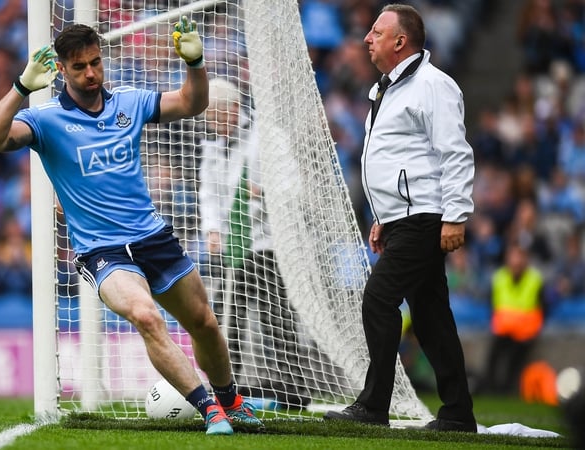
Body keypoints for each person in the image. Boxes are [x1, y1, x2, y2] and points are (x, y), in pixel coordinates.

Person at [0, 20, 263, 435]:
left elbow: (191, 103)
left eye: (95, 63)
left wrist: (195, 63)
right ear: (61, 69)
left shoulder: (130, 101)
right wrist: (21, 88)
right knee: (147, 317)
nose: (90, 73)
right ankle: (209, 410)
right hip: (102, 251)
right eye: (79, 67)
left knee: (204, 322)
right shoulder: (46, 119)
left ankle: (231, 400)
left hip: (152, 237)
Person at [323, 4, 477, 432]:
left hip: (426, 217)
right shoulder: (384, 89)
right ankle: (458, 413)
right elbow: (398, 159)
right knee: (430, 315)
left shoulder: (433, 86)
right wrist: (383, 217)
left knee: (378, 299)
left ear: (399, 41)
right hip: (405, 217)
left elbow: (455, 153)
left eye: (376, 31)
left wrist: (456, 216)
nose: (367, 38)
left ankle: (374, 405)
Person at [198, 77, 312, 409]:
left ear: (233, 109)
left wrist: (263, 194)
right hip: (233, 246)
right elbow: (208, 192)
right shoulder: (214, 145)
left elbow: (294, 188)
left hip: (267, 244)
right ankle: (226, 385)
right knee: (224, 315)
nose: (212, 123)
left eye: (216, 116)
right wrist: (213, 229)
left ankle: (294, 389)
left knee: (276, 318)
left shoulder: (267, 137)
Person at [481, 242, 547, 395]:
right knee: (493, 358)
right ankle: (491, 389)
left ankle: (507, 390)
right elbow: (492, 304)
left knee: (514, 361)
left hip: (525, 333)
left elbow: (543, 307)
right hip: (503, 330)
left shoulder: (535, 279)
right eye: (513, 256)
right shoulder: (499, 278)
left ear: (526, 259)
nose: (516, 261)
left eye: (520, 256)